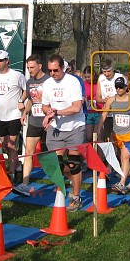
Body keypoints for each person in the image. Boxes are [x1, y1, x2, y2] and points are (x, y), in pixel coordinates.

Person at [41, 54, 87, 212]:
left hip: (75, 126)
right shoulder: (47, 84)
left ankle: (76, 197)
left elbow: (76, 107)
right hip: (56, 128)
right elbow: (45, 105)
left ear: (63, 68)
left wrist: (57, 112)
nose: (52, 73)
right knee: (56, 165)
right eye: (50, 70)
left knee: (74, 163)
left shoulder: (73, 82)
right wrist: (48, 112)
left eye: (55, 70)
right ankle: (73, 180)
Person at [0, 49, 27, 183]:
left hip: (14, 114)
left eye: (0, 60)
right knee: (5, 145)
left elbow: (26, 90)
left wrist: (21, 100)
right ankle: (18, 167)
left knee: (11, 145)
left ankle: (12, 173)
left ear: (7, 61)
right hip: (1, 115)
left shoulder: (17, 75)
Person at [98, 75, 130, 193]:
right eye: (116, 87)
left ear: (126, 87)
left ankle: (122, 183)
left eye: (121, 87)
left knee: (124, 157)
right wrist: (98, 130)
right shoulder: (111, 100)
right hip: (117, 134)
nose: (118, 89)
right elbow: (104, 115)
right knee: (128, 159)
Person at [17, 54, 50, 197]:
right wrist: (25, 112)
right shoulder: (29, 82)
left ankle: (59, 181)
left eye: (32, 67)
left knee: (52, 153)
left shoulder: (48, 80)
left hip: (48, 122)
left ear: (40, 66)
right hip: (34, 122)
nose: (30, 70)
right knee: (28, 152)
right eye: (28, 68)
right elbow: (31, 100)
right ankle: (25, 184)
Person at [95, 58, 121, 142]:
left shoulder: (120, 77)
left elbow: (127, 96)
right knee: (109, 138)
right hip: (107, 113)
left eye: (108, 71)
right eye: (104, 72)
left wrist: (114, 99)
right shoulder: (101, 78)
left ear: (113, 69)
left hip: (119, 112)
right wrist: (104, 100)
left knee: (118, 138)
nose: (106, 74)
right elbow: (97, 98)